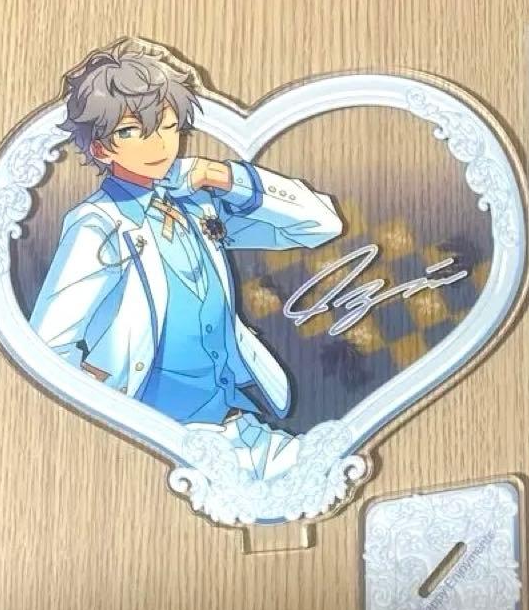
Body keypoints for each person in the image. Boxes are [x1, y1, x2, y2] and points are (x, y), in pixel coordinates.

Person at [30, 41, 343, 478]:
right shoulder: (98, 225)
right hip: (155, 444)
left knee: (325, 473)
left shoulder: (196, 205)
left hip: (234, 425)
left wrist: (223, 176)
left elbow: (320, 225)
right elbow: (47, 347)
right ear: (101, 149)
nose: (158, 143)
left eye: (168, 126)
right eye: (132, 131)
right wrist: (107, 408)